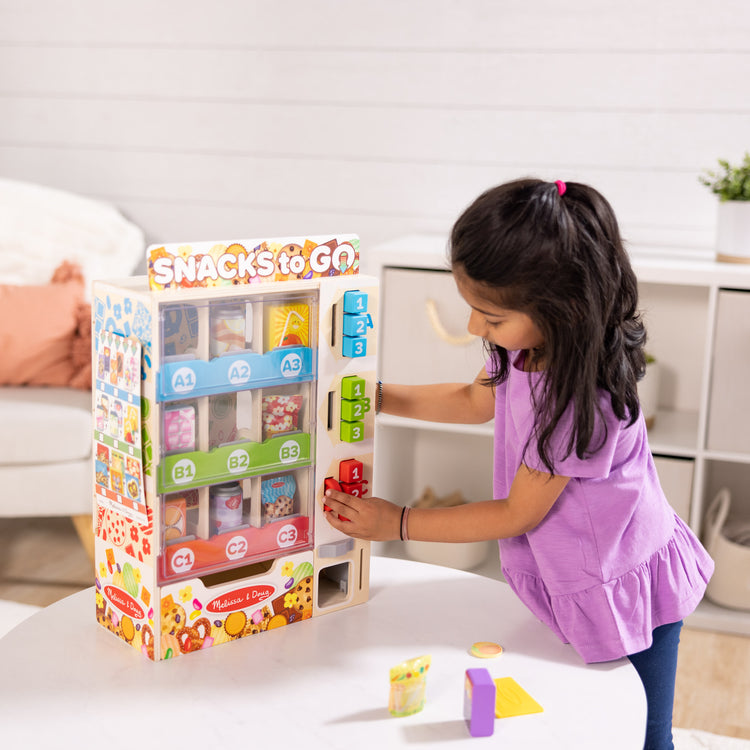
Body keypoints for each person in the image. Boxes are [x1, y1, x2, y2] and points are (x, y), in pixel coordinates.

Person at [323, 178, 714, 750]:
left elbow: (516, 514)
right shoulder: (527, 345)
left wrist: (398, 523)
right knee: (580, 714)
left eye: (491, 317)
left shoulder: (582, 398)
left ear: (561, 309)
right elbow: (474, 400)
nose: (474, 328)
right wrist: (378, 396)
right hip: (576, 568)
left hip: (624, 580)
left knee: (644, 734)